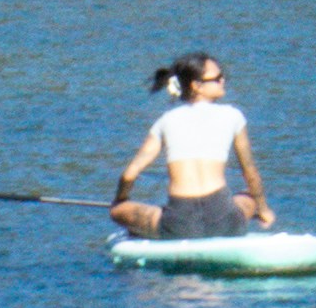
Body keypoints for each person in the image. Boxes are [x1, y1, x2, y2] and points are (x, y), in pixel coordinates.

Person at [112, 51, 275, 238]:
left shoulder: (165, 121)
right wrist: (263, 210)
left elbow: (129, 174)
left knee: (118, 210)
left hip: (179, 224)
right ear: (196, 85)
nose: (223, 81)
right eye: (217, 78)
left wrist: (120, 200)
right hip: (224, 220)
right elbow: (250, 173)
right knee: (248, 197)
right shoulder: (233, 116)